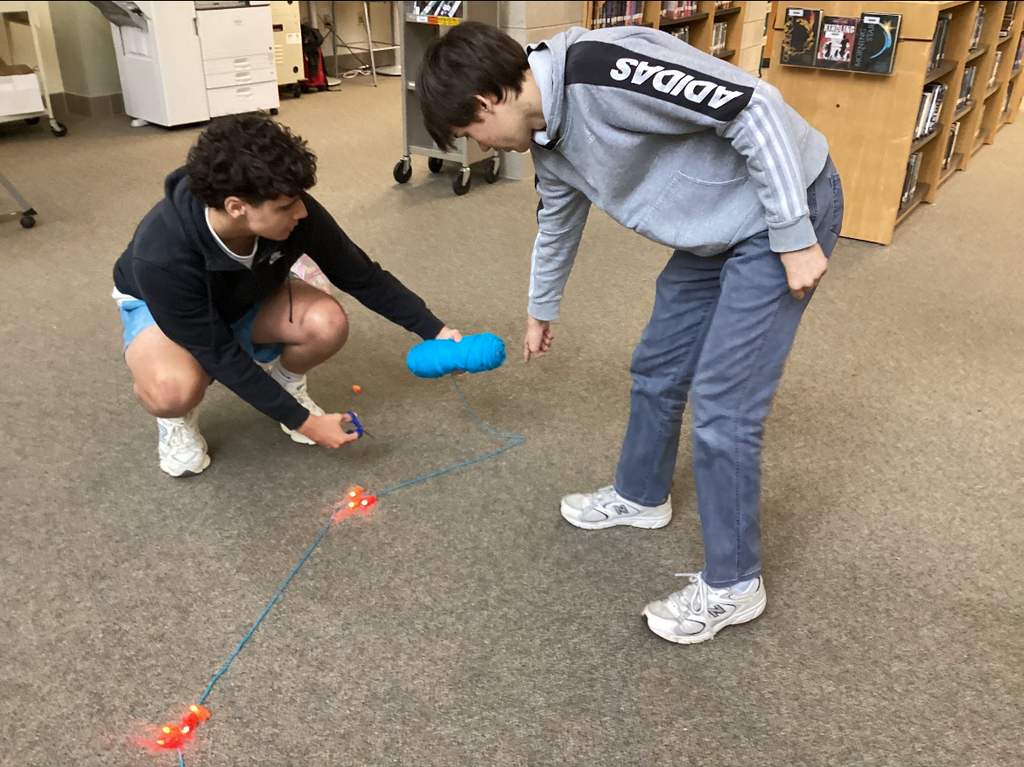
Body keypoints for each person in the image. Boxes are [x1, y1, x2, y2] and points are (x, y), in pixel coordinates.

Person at [417, 22, 843, 644]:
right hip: (714, 229)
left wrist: (794, 232)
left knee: (724, 405)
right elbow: (557, 222)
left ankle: (735, 583)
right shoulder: (547, 141)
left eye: (469, 133)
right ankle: (642, 495)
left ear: (486, 102)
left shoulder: (604, 70)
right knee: (658, 365)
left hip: (784, 206)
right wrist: (540, 310)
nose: (481, 146)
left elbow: (754, 107)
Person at [113, 113, 461, 477]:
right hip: (160, 308)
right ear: (235, 207)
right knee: (172, 391)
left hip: (248, 290)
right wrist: (305, 423)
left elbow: (362, 277)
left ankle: (287, 383)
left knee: (327, 323)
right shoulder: (162, 256)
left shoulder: (295, 212)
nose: (301, 211)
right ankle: (176, 421)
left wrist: (435, 331)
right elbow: (217, 351)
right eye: (284, 207)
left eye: (299, 198)